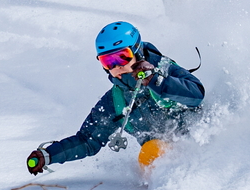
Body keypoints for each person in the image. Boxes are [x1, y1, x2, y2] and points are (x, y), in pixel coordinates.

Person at [26, 21, 205, 174]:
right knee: (150, 151)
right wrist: (48, 155)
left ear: (137, 51)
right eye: (108, 61)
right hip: (163, 154)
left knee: (152, 151)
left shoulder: (163, 69)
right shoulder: (116, 101)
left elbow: (197, 94)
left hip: (201, 139)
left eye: (122, 57)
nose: (116, 66)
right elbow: (88, 141)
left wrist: (156, 80)